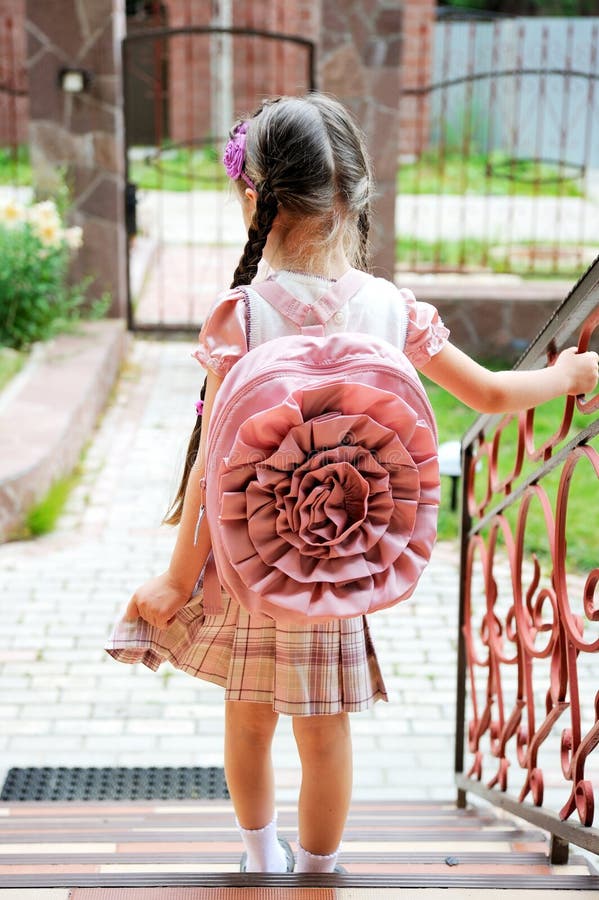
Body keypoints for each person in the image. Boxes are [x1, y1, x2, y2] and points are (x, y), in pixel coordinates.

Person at [114, 93, 599, 874]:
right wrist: (568, 371)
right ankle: (317, 870)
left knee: (247, 720)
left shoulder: (240, 314)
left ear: (254, 200)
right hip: (336, 562)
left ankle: (256, 859)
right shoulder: (391, 310)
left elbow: (212, 460)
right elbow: (492, 396)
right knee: (325, 731)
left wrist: (177, 579)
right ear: (358, 195)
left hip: (250, 564)